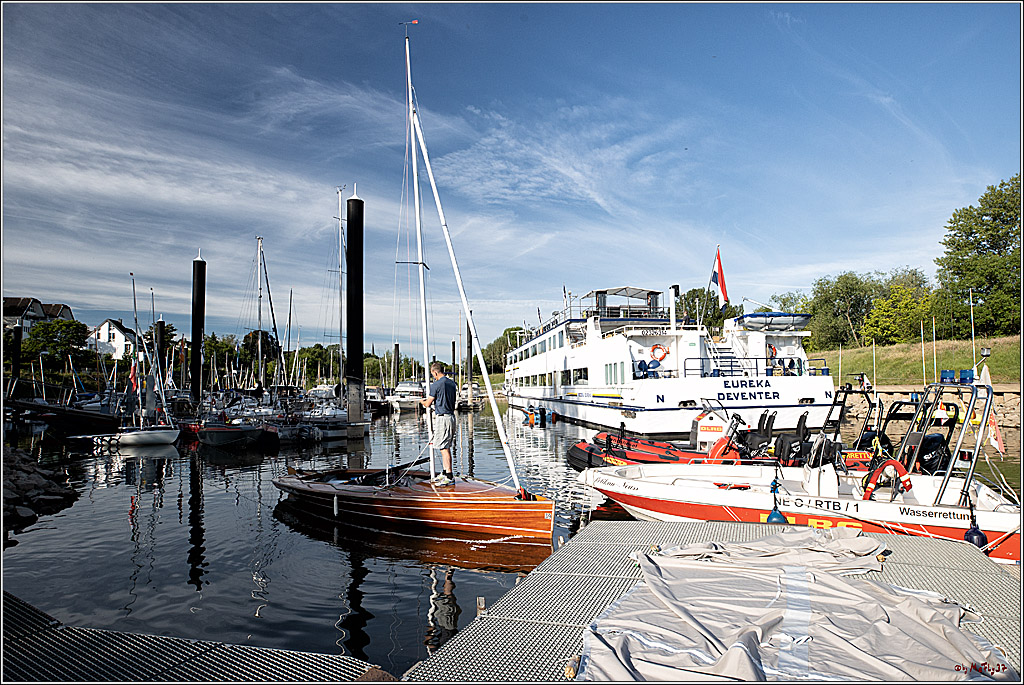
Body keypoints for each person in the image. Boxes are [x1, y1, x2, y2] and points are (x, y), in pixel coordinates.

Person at [420, 361, 458, 486]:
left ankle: (449, 476)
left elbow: (428, 403)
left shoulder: (436, 385)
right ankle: (444, 472)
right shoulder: (452, 383)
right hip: (451, 417)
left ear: (435, 372)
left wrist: (422, 401)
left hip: (443, 418)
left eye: (433, 375)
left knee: (443, 448)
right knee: (445, 445)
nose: (433, 377)